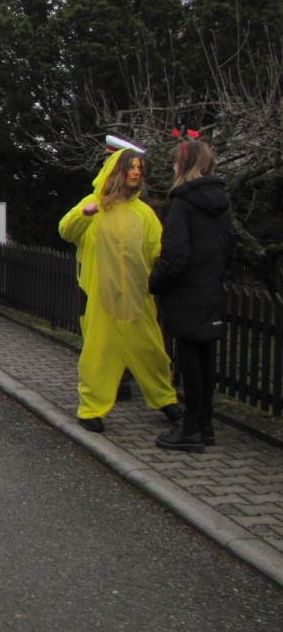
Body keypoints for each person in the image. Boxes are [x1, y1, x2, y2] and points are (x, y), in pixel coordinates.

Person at [59, 145, 183, 433]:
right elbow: (66, 230)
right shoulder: (94, 204)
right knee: (98, 355)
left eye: (140, 168)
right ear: (117, 172)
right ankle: (91, 409)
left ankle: (165, 400)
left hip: (138, 299)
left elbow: (156, 251)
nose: (136, 173)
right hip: (101, 298)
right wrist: (83, 215)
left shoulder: (144, 214)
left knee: (151, 351)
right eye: (131, 167)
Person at [149, 138, 234, 452]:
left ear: (183, 166)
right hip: (210, 290)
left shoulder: (182, 204)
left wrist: (156, 281)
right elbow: (228, 246)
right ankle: (205, 425)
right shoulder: (221, 203)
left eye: (175, 162)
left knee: (189, 359)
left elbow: (176, 255)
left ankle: (191, 429)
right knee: (205, 358)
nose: (173, 168)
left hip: (186, 293)